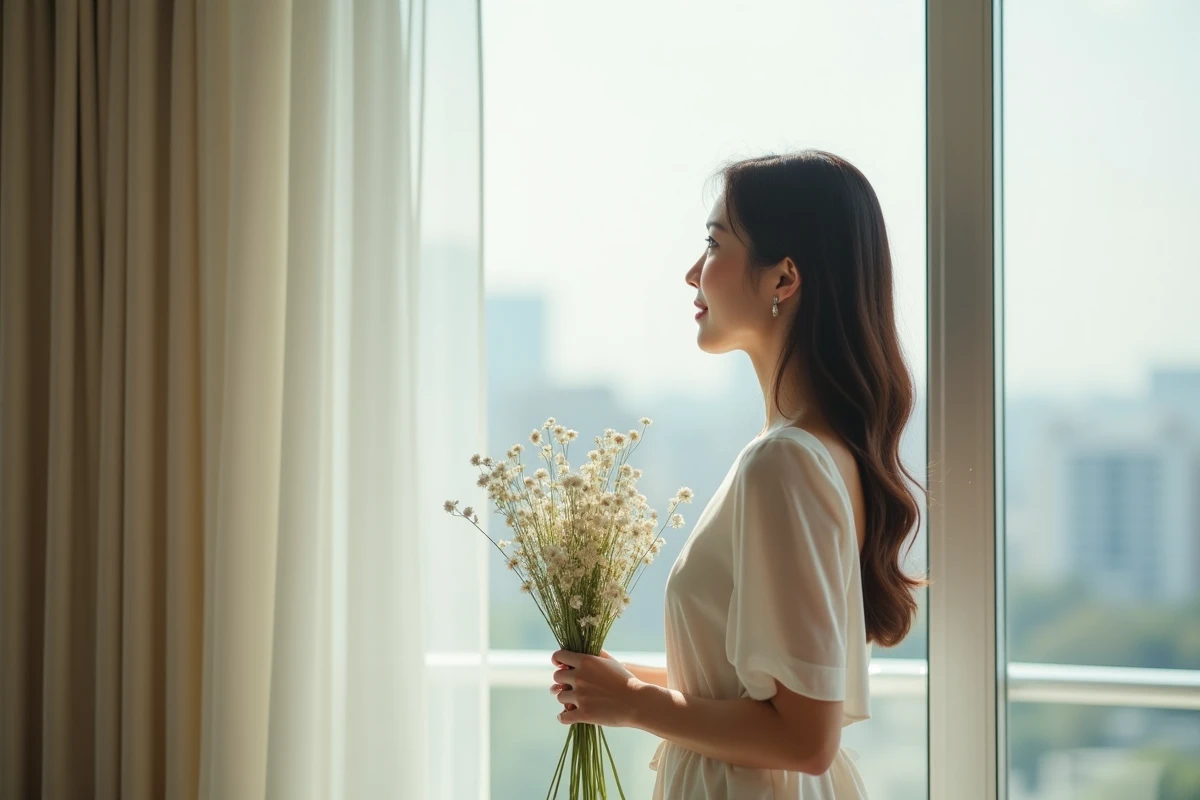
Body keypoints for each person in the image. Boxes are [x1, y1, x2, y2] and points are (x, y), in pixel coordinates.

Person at [548, 150, 924, 799]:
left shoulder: (784, 461)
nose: (693, 273)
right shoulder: (822, 450)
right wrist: (620, 683)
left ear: (783, 279)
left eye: (715, 243)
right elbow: (759, 693)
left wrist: (634, 703)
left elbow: (804, 739)